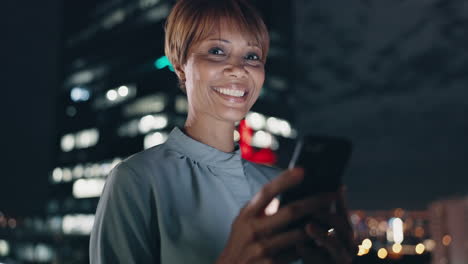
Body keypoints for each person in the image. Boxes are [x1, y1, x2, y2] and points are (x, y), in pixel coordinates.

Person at [89, 0, 355, 263]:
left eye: (252, 56)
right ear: (180, 65)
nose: (239, 69)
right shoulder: (136, 180)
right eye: (217, 51)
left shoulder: (277, 186)